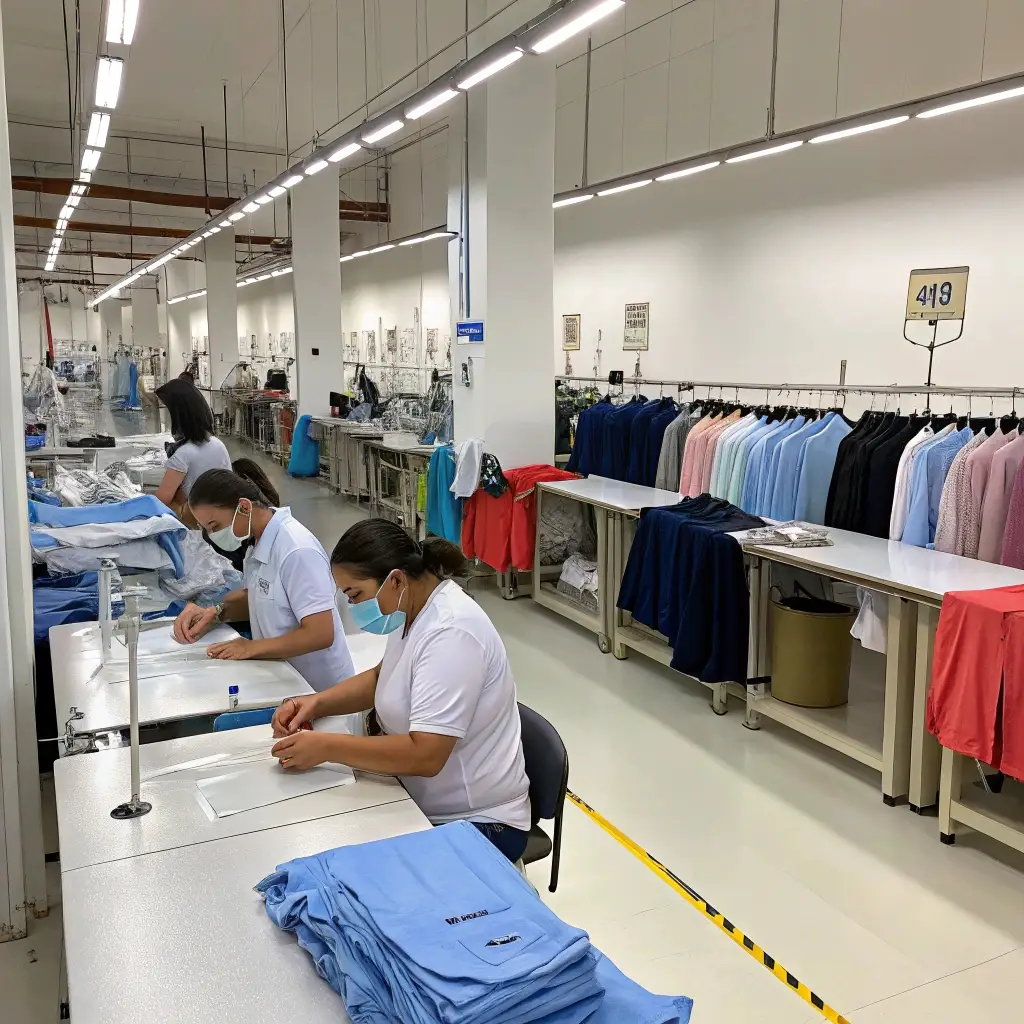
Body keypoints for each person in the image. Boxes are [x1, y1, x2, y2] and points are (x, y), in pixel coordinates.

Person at [270, 519, 532, 862]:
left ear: (395, 579)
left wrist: (327, 747)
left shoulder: (451, 633)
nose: (352, 608)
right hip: (418, 797)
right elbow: (383, 676)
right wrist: (315, 703)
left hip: (476, 823)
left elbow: (425, 755)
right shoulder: (411, 606)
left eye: (355, 595)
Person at [172, 469, 356, 715]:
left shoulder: (296, 550)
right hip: (286, 680)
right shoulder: (256, 544)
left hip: (321, 690)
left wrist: (250, 647)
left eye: (215, 526)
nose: (214, 536)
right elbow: (258, 598)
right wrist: (213, 613)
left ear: (244, 508)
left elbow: (321, 633)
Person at [154, 379, 231, 515]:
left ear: (178, 415)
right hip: (223, 516)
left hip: (193, 523)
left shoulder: (183, 455)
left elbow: (159, 504)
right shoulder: (218, 444)